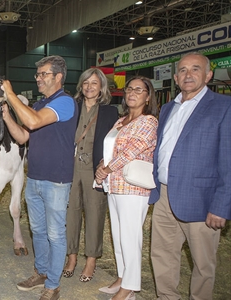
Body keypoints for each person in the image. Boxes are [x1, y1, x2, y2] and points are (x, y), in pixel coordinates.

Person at [149, 52, 231, 300]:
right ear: (175, 77)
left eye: (195, 69)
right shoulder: (168, 108)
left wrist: (221, 205)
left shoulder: (223, 106)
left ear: (208, 75)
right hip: (164, 195)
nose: (188, 74)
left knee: (203, 265)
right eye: (183, 70)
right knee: (162, 255)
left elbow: (228, 159)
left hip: (201, 199)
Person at [2, 55, 78, 300]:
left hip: (56, 180)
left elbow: (33, 123)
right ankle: (42, 272)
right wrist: (6, 115)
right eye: (38, 74)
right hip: (34, 178)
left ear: (58, 77)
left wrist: (10, 94)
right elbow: (23, 137)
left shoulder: (65, 102)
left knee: (55, 233)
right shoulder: (38, 105)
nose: (38, 79)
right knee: (37, 229)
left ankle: (53, 285)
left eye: (43, 74)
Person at [95, 76, 158, 300]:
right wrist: (102, 166)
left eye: (139, 90)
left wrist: (107, 168)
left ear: (148, 96)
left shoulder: (148, 121)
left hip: (133, 188)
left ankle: (130, 286)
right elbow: (110, 149)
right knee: (119, 236)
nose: (132, 93)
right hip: (114, 185)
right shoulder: (121, 121)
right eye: (129, 89)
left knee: (131, 238)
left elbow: (131, 152)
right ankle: (122, 277)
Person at [63, 68, 118, 282]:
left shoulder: (110, 112)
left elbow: (114, 142)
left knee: (95, 213)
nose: (89, 87)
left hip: (95, 169)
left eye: (94, 83)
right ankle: (72, 257)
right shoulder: (73, 108)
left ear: (101, 87)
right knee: (71, 212)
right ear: (80, 86)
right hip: (70, 166)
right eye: (86, 83)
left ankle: (91, 259)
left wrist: (106, 164)